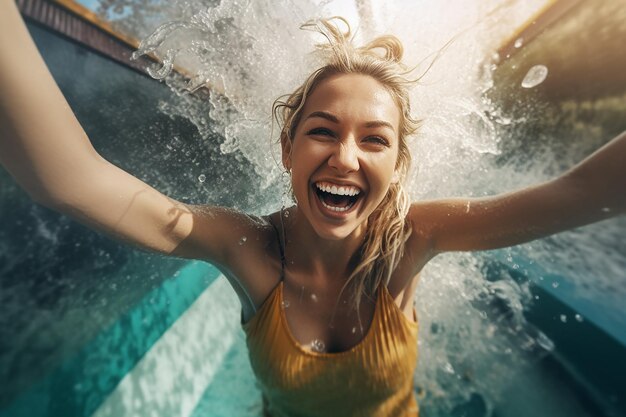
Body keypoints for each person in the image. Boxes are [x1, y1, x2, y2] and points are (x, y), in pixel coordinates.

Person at [1, 2, 624, 416]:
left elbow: (575, 195)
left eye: (375, 139)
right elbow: (68, 179)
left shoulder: (414, 239)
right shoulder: (245, 249)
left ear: (398, 164)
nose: (346, 158)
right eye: (323, 131)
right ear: (287, 148)